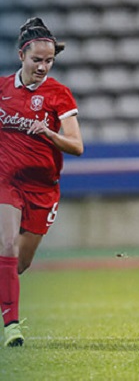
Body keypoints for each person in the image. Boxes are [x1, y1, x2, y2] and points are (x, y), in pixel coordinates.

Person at [0, 18, 84, 347]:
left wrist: (48, 133)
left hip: (44, 188)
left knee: (18, 264)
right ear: (22, 55)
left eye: (49, 61)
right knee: (5, 244)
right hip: (6, 180)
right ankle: (12, 327)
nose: (43, 67)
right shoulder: (3, 89)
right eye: (37, 60)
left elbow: (77, 146)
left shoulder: (58, 94)